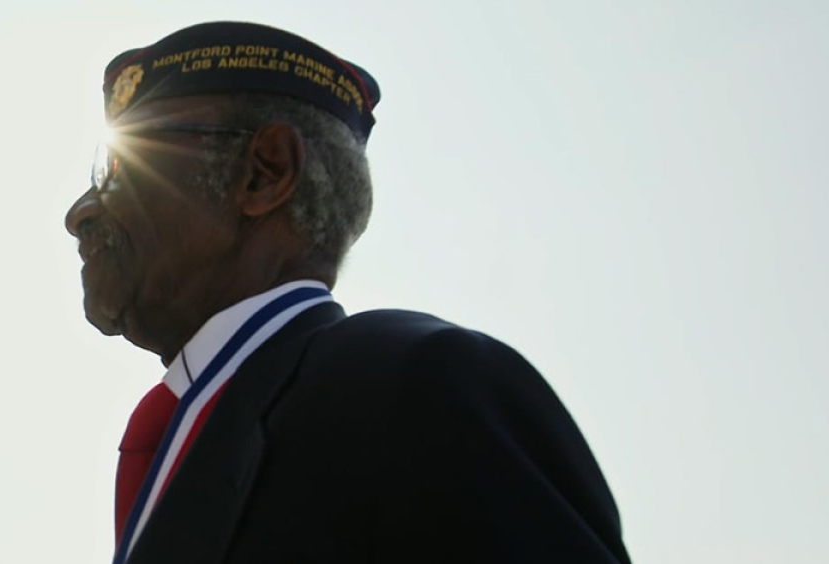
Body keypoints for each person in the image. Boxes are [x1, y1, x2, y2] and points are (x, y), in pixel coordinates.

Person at [63, 21, 633, 564]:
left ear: (264, 173)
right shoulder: (196, 429)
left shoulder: (417, 385)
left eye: (119, 166)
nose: (79, 213)